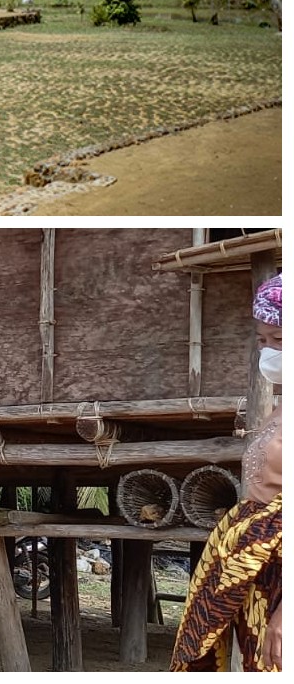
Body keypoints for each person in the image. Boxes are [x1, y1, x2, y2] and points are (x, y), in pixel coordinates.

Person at [172, 273, 282, 672]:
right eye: (262, 340)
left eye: (280, 340)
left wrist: (285, 615)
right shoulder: (279, 407)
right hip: (253, 563)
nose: (268, 351)